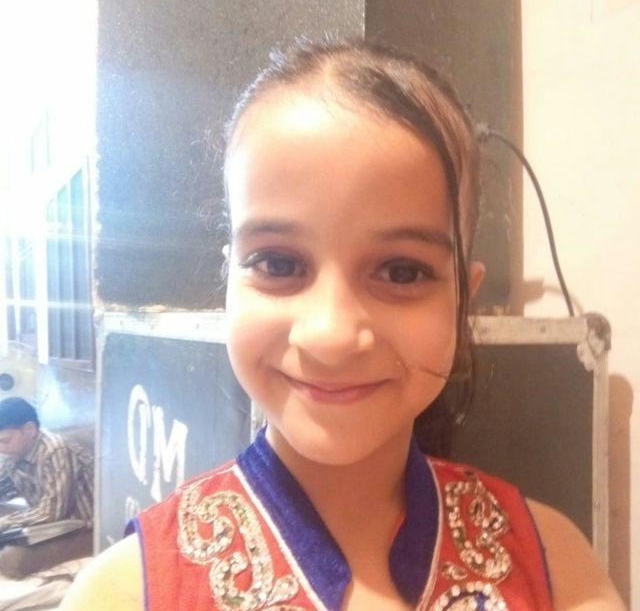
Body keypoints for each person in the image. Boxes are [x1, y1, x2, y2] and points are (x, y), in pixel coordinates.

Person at [62, 40, 624, 610]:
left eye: (402, 271)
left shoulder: (558, 566)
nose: (329, 335)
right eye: (278, 264)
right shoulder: (124, 593)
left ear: (463, 302)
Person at [0, 397, 94, 577]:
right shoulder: (14, 455)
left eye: (5, 441)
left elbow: (52, 513)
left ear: (29, 429)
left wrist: (6, 523)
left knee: (11, 560)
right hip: (48, 526)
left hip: (82, 528)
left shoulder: (54, 450)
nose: (1, 448)